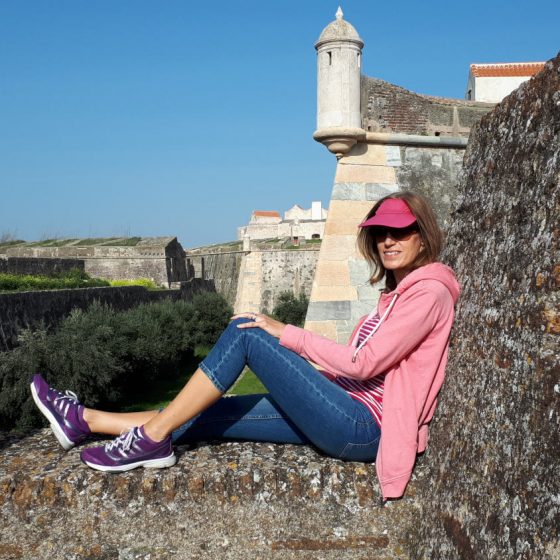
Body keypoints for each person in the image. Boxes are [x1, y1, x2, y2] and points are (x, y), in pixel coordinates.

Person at [31, 191, 460, 500]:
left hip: (363, 428)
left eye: (400, 231)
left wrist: (286, 333)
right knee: (210, 411)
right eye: (380, 231)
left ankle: (152, 440)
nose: (388, 240)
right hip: (344, 410)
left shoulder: (429, 293)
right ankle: (83, 420)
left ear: (422, 236)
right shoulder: (398, 296)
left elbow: (364, 363)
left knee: (248, 333)